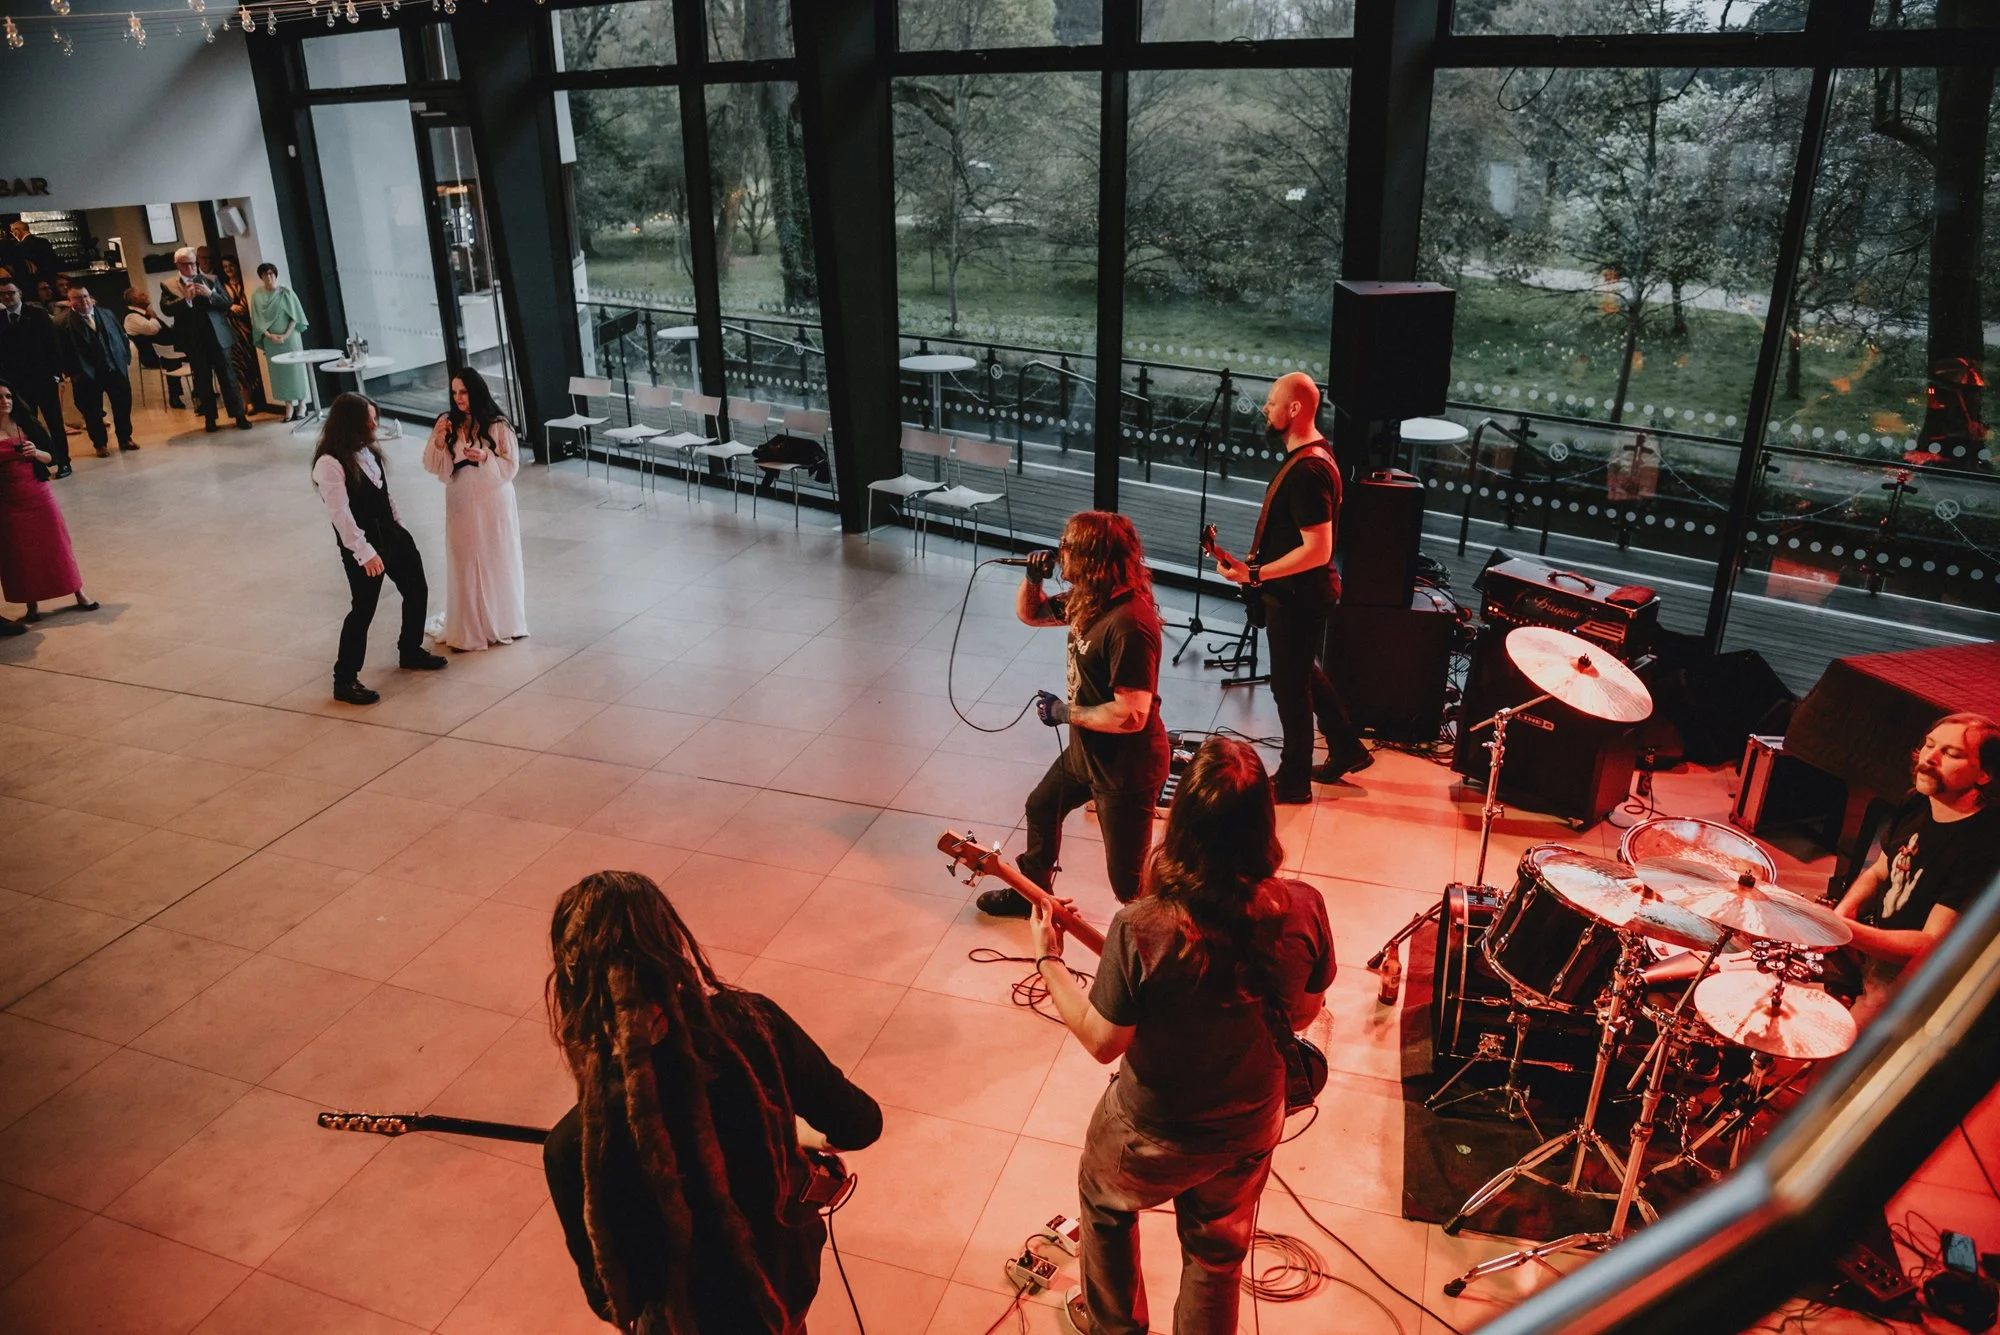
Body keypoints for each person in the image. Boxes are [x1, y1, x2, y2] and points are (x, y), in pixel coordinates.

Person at [1030, 737, 1334, 1335]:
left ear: (1184, 822)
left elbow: (1102, 1042)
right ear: (1263, 825)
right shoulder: (1303, 907)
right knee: (1217, 1258)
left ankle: (1113, 1326)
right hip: (1250, 1121)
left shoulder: (1140, 925)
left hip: (1153, 1129)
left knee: (1107, 1209)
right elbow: (1301, 1014)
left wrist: (1049, 963)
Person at [542, 870, 883, 1333]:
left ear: (571, 982)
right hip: (783, 1296)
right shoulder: (755, 1025)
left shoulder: (575, 1143)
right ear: (670, 947)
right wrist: (801, 1135)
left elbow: (613, 1300)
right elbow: (861, 1124)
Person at [977, 511, 1170, 920]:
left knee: (1128, 884)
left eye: (1068, 547)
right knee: (1042, 806)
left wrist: (1064, 712)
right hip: (1088, 753)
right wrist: (1033, 579)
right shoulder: (1090, 598)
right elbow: (1031, 614)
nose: (1060, 552)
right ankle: (1033, 896)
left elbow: (1131, 716)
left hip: (1126, 770)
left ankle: (1161, 937)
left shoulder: (1130, 624)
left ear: (1092, 557)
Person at [1211, 372, 1369, 803]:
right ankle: (1346, 747)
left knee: (1289, 687)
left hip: (1298, 597)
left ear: (1295, 409)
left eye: (1273, 402)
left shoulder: (1308, 471)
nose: (1266, 408)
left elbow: (1318, 550)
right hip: (1299, 592)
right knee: (1301, 672)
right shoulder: (1315, 455)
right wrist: (1249, 568)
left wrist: (1255, 575)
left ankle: (1294, 781)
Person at [1833, 712, 2000, 1022]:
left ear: (1984, 775)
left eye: (1951, 753)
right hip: (1873, 937)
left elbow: (1929, 943)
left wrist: (1846, 932)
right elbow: (1881, 870)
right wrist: (1845, 913)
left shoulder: (1985, 847)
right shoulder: (1918, 801)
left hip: (1910, 974)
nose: (1930, 758)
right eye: (1929, 745)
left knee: (1839, 1056)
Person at [311, 392, 447, 704]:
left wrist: (399, 527)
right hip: (364, 544)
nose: (375, 424)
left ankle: (410, 650)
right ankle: (344, 680)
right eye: (369, 419)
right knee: (363, 611)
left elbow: (384, 495)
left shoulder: (368, 452)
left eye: (375, 417)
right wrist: (365, 553)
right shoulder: (329, 464)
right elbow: (341, 516)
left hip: (392, 534)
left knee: (417, 589)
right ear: (352, 424)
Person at [421, 367, 529, 651]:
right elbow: (433, 465)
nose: (458, 398)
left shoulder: (497, 424)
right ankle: (469, 626)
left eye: (464, 392)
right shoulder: (446, 423)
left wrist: (485, 456)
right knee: (464, 558)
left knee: (496, 554)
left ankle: (503, 621)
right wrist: (439, 442)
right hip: (460, 498)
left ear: (475, 391)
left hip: (492, 499)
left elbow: (511, 466)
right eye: (454, 392)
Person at [0, 379, 98, 623]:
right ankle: (31, 603)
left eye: (9, 396)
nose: (5, 402)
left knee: (57, 543)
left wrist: (36, 453)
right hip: (7, 499)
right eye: (0, 398)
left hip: (37, 492)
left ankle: (79, 592)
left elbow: (53, 457)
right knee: (19, 552)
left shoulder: (28, 424)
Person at [161, 246, 251, 433]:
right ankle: (210, 419)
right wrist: (185, 300)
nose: (191, 269)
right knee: (202, 380)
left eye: (194, 264)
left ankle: (239, 415)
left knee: (228, 377)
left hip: (217, 336)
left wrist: (210, 295)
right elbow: (167, 309)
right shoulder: (168, 284)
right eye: (186, 265)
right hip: (194, 339)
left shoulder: (210, 280)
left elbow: (226, 303)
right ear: (177, 265)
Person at [0, 276, 69, 476]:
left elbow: (54, 346)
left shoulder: (37, 315)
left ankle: (63, 461)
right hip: (17, 385)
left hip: (43, 380)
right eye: (3, 294)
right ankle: (38, 462)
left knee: (54, 422)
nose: (7, 297)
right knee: (28, 424)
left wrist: (56, 374)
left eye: (11, 293)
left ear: (19, 293)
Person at [56, 286, 136, 456]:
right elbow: (59, 351)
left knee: (122, 404)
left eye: (85, 296)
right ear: (70, 301)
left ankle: (125, 437)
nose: (83, 300)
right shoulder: (62, 322)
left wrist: (125, 357)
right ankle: (100, 443)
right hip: (86, 374)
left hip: (114, 367)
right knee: (92, 411)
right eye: (77, 298)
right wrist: (70, 372)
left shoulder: (106, 314)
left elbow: (121, 335)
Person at [250, 262, 311, 421]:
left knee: (295, 369)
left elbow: (294, 316)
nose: (268, 277)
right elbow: (257, 320)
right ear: (261, 277)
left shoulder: (285, 292)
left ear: (275, 275)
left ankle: (302, 404)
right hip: (271, 340)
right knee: (280, 372)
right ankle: (288, 406)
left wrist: (285, 335)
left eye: (271, 273)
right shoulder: (257, 295)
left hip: (290, 337)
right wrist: (269, 336)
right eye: (265, 274)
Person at [217, 256, 270, 416]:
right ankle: (244, 402)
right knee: (237, 368)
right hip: (232, 333)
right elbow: (222, 307)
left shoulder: (245, 285)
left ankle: (255, 401)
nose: (228, 269)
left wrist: (231, 307)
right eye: (225, 267)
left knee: (251, 366)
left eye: (231, 265)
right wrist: (230, 307)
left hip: (246, 332)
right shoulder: (223, 287)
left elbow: (245, 308)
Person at [123, 286, 187, 409]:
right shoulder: (131, 317)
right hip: (152, 356)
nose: (146, 295)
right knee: (171, 359)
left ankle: (199, 389)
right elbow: (152, 329)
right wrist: (153, 316)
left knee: (198, 352)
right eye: (142, 294)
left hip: (168, 351)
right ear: (134, 299)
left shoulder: (144, 313)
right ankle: (174, 396)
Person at [1, 220, 61, 295]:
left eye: (12, 232)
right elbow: (54, 261)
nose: (13, 235)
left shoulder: (19, 247)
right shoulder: (44, 241)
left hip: (34, 285)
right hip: (51, 281)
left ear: (17, 231)